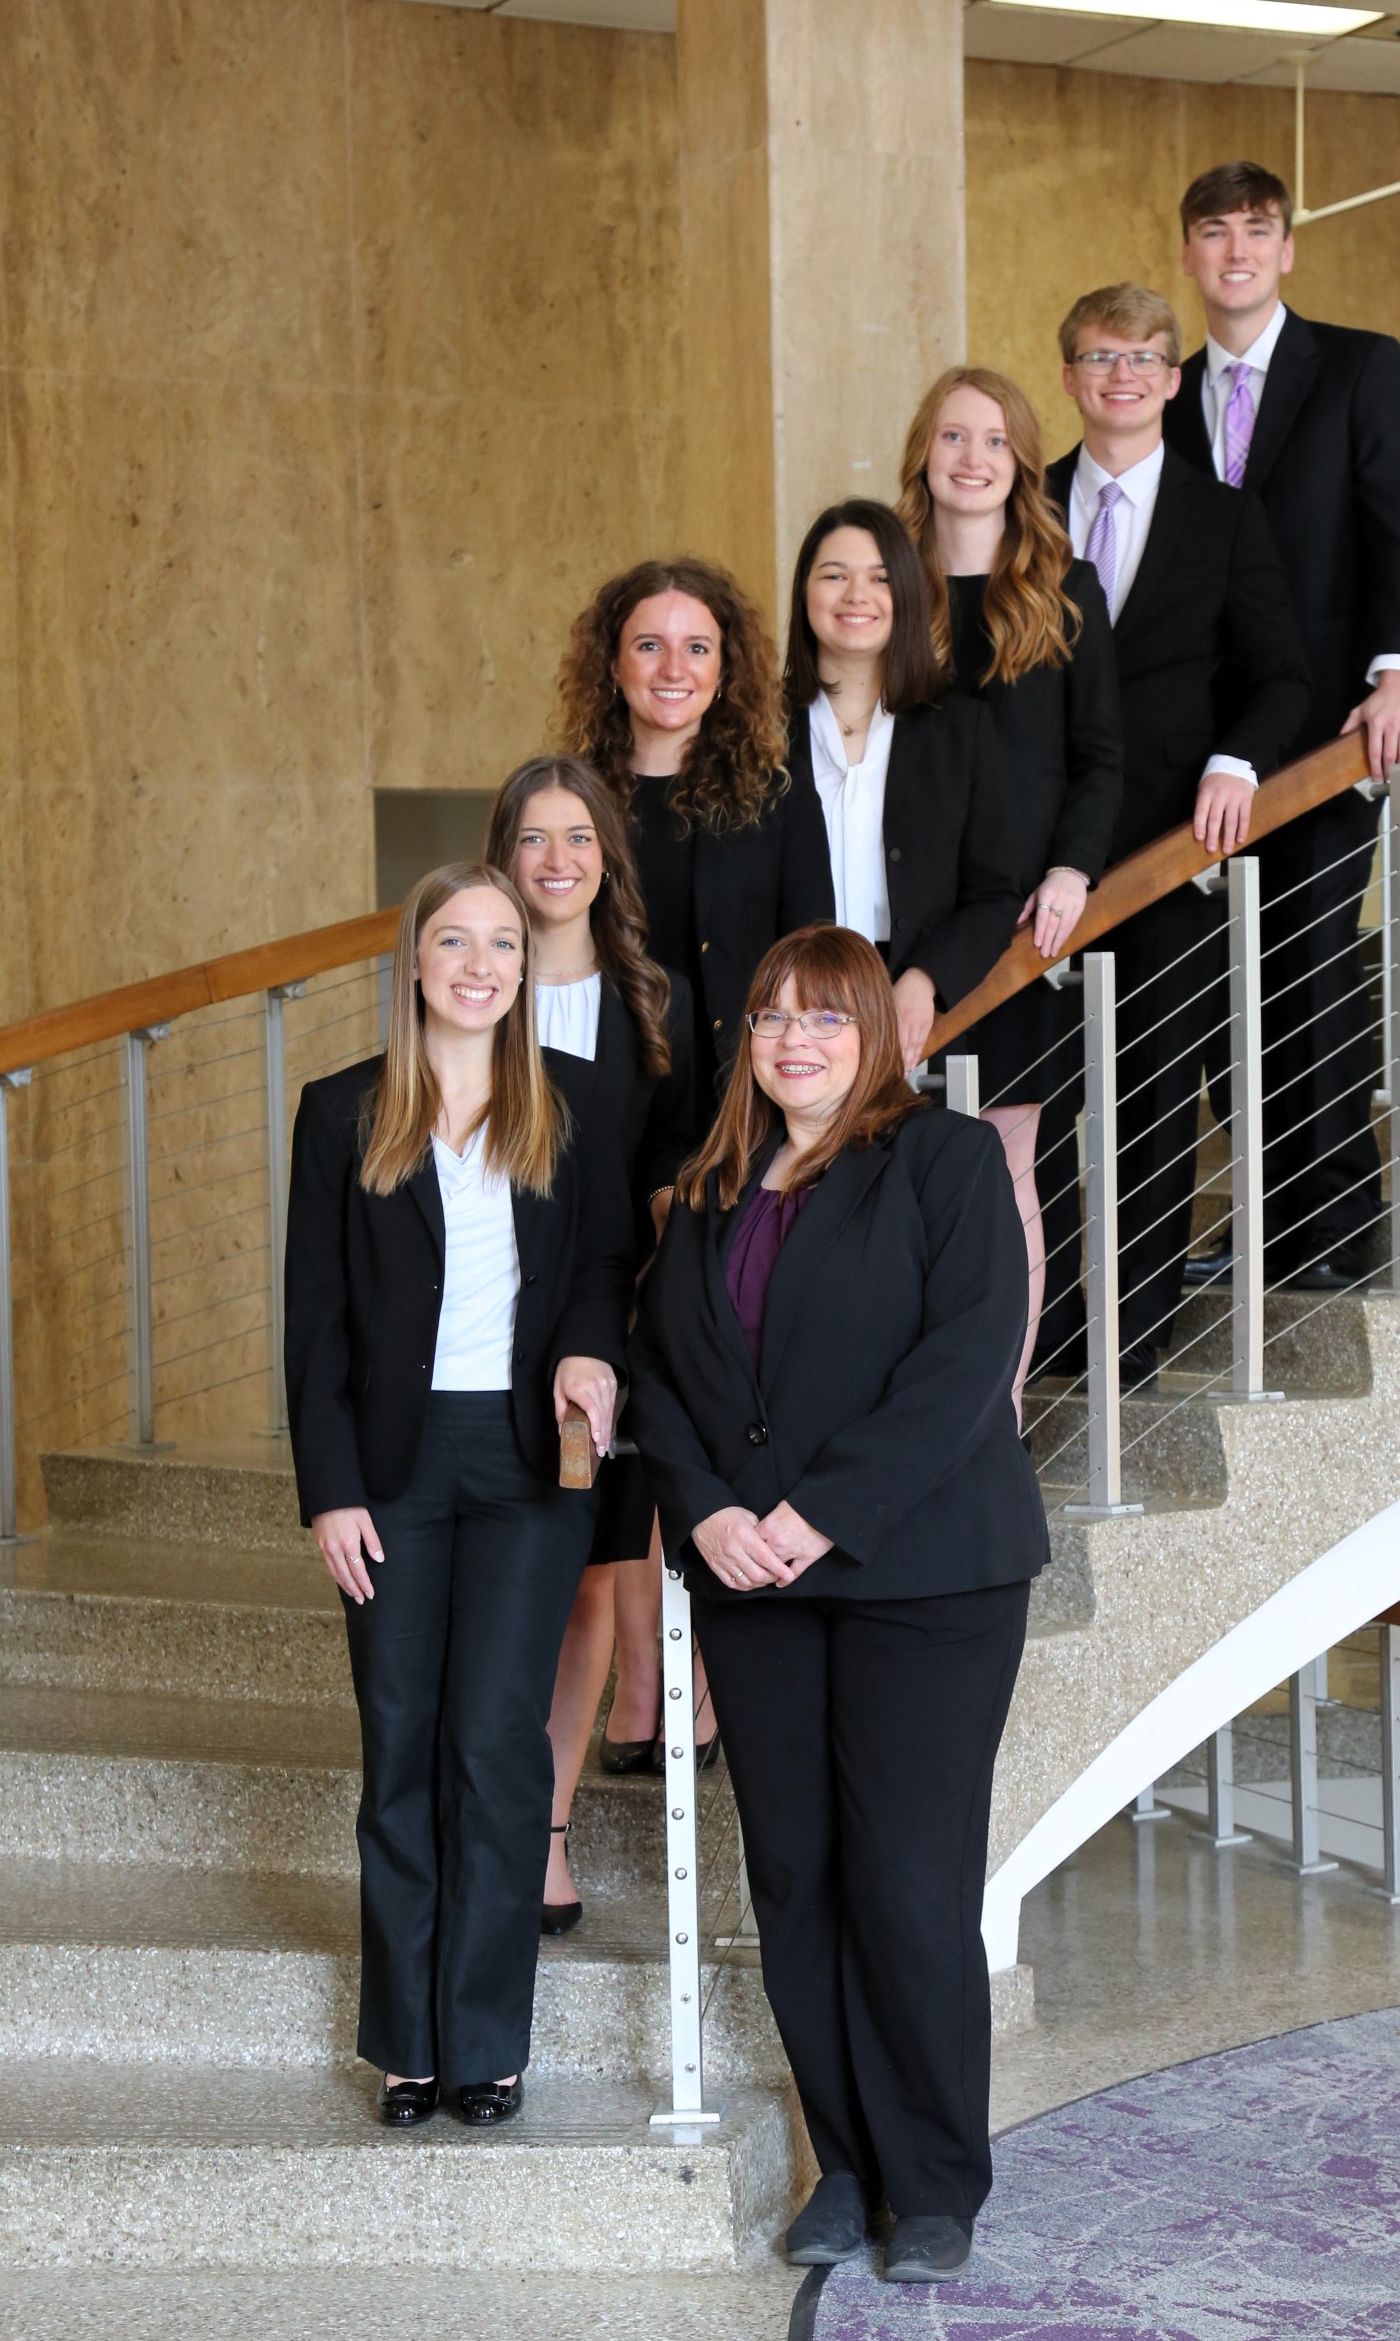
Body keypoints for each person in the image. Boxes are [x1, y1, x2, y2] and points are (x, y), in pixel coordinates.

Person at [626, 925, 1048, 2285]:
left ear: (874, 1033)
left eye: (821, 1018)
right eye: (768, 1018)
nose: (791, 1041)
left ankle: (931, 2179)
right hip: (753, 1580)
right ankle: (848, 2159)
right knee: (796, 1881)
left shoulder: (943, 1158)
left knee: (907, 1883)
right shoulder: (706, 1190)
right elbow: (660, 1378)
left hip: (920, 1574)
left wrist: (818, 1510)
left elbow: (966, 1359)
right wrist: (706, 1510)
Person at [285, 864, 631, 2126]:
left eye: (500, 942)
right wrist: (328, 1490)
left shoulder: (575, 1101)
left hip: (526, 1462)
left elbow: (601, 1266)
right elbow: (314, 1322)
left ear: (521, 964)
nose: (479, 963)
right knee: (400, 1748)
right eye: (453, 940)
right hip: (389, 1469)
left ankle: (484, 2041)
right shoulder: (342, 1111)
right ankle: (405, 2043)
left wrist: (592, 1349)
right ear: (415, 960)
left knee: (495, 1746)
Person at [1163, 159, 1400, 1289]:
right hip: (1202, 754)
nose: (1233, 250)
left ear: (1285, 251)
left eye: (1256, 231)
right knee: (1225, 983)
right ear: (1186, 255)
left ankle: (1337, 1220)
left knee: (1314, 965)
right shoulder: (1164, 395)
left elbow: (1399, 521)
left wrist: (1396, 673)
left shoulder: (1357, 368)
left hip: (1327, 738)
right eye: (1212, 232)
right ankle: (1268, 1215)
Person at [1044, 284, 1308, 1389]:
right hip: (1035, 858)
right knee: (1042, 1101)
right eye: (1099, 358)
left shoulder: (1223, 514)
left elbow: (1282, 675)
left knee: (1154, 1100)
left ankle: (1132, 1341)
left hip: (1171, 857)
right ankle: (1044, 1336)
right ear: (1067, 376)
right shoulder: (1018, 503)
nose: (1122, 377)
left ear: (1172, 379)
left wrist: (1233, 760)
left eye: (1143, 359)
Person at [484, 755, 697, 1934]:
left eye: (578, 837)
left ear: (606, 856)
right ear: (502, 857)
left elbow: (672, 1156)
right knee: (498, 1590)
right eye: (532, 838)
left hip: (604, 1332)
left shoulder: (653, 997)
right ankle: (481, 1811)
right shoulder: (473, 987)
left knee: (579, 1596)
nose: (557, 860)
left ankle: (545, 1833)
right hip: (479, 1335)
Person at [897, 367, 1123, 1385]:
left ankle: (998, 1408)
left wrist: (1074, 868)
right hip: (903, 922)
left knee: (1007, 1160)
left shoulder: (1064, 589)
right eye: (953, 437)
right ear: (923, 456)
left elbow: (1100, 756)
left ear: (1022, 461)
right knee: (900, 1170)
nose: (972, 458)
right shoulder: (885, 588)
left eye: (993, 440)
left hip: (1024, 924)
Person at [555, 555, 834, 1134]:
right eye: (650, 646)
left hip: (741, 1095)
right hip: (600, 1088)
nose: (674, 669)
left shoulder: (778, 794)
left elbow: (811, 946)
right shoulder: (569, 799)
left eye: (698, 649)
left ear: (726, 670)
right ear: (612, 664)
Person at [783, 497, 1019, 1070]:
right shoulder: (761, 730)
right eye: (834, 575)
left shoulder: (961, 729)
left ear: (906, 597)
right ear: (804, 594)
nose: (855, 595)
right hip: (787, 1008)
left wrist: (925, 978)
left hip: (913, 1008)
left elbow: (996, 895)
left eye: (879, 578)